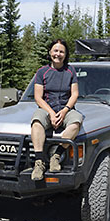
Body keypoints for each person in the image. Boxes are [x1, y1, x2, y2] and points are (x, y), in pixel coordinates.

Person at [28, 39, 83, 181]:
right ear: (50, 52)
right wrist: (52, 113)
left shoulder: (70, 70)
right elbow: (38, 97)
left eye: (61, 51)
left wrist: (65, 111)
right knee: (36, 122)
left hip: (66, 108)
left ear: (65, 54)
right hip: (46, 108)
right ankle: (39, 163)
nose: (58, 54)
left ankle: (56, 156)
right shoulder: (42, 72)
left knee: (76, 122)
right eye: (55, 50)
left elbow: (75, 94)